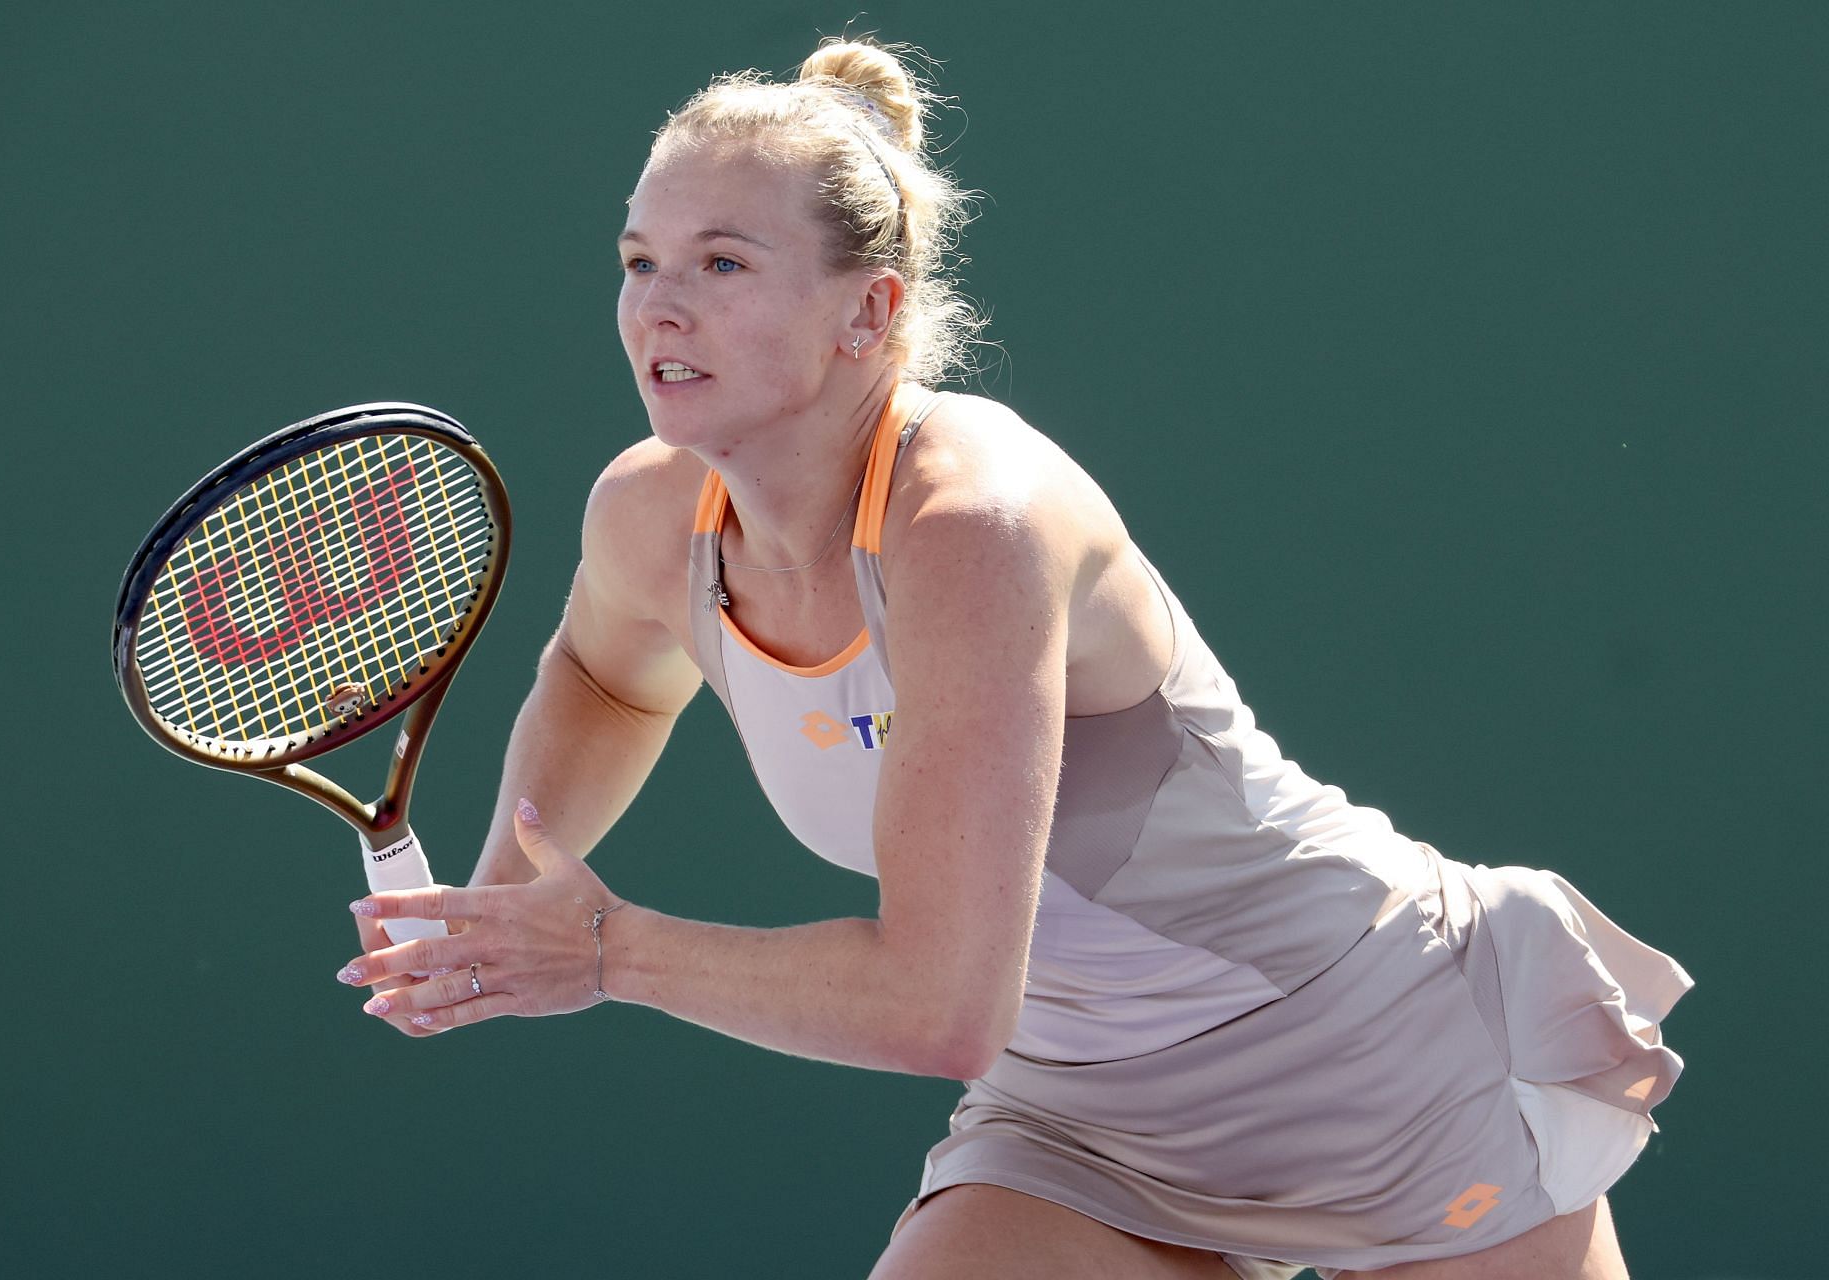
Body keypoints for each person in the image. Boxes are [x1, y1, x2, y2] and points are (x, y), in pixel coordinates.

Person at [332, 38, 1690, 1280]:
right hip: (1081, 1119)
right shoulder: (652, 515)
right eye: (638, 261)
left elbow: (935, 1006)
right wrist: (506, 907)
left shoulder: (972, 528)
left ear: (868, 314)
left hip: (1372, 1059)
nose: (658, 309)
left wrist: (607, 952)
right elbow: (609, 677)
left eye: (722, 264)